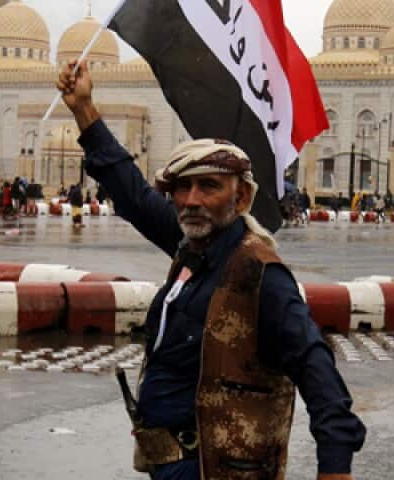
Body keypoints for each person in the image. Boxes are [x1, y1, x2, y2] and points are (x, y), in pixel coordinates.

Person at [56, 60, 364, 480]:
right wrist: (84, 111)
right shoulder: (191, 244)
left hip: (217, 470)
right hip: (168, 465)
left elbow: (315, 365)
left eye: (209, 186)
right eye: (182, 187)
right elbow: (131, 192)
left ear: (240, 200)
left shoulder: (257, 271)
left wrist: (334, 469)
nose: (192, 199)